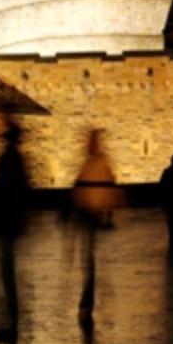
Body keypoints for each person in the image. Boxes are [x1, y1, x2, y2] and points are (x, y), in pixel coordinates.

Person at [72, 130, 123, 332]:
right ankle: (87, 300)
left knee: (89, 260)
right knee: (88, 259)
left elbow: (107, 186)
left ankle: (87, 302)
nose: (88, 144)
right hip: (86, 215)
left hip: (91, 216)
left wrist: (106, 210)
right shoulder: (90, 162)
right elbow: (81, 186)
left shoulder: (98, 162)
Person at [0, 118, 30, 344]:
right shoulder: (14, 158)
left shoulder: (10, 159)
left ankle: (11, 319)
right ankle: (10, 316)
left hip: (8, 219)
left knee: (7, 269)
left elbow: (7, 189)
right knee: (6, 268)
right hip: (10, 219)